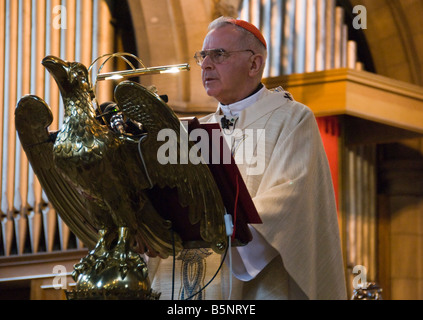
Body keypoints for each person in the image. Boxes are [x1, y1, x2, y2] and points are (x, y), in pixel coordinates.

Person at [148, 16, 347, 300]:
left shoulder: (292, 119)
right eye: (203, 55)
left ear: (254, 64)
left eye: (219, 54)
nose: (205, 64)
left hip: (255, 287)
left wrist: (222, 229)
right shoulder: (187, 132)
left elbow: (289, 199)